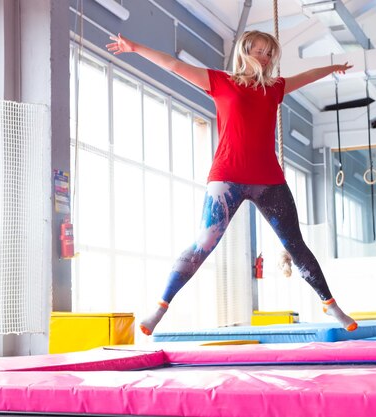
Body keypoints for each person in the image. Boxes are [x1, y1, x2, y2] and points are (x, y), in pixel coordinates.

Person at [107, 30, 357, 336]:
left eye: (269, 53)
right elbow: (173, 65)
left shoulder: (275, 88)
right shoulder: (220, 81)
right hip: (227, 177)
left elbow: (307, 75)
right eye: (258, 51)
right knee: (204, 243)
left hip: (269, 179)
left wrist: (333, 68)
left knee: (295, 244)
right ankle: (160, 308)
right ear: (244, 51)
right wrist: (134, 45)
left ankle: (331, 305)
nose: (264, 58)